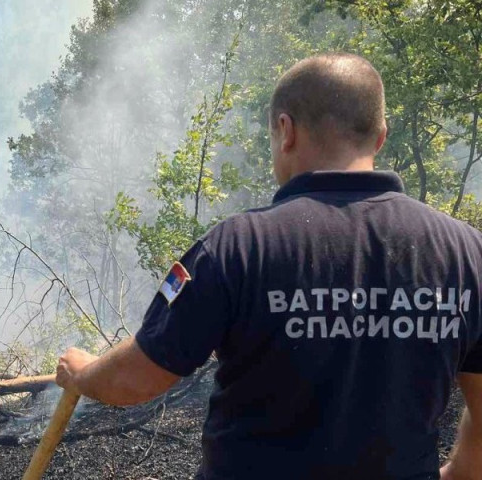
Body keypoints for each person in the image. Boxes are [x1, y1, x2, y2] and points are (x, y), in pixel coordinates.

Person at [55, 53, 482, 479]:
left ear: (285, 130)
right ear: (380, 137)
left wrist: (83, 374)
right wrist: (460, 472)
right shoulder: (467, 252)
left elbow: (137, 380)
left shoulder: (237, 247)